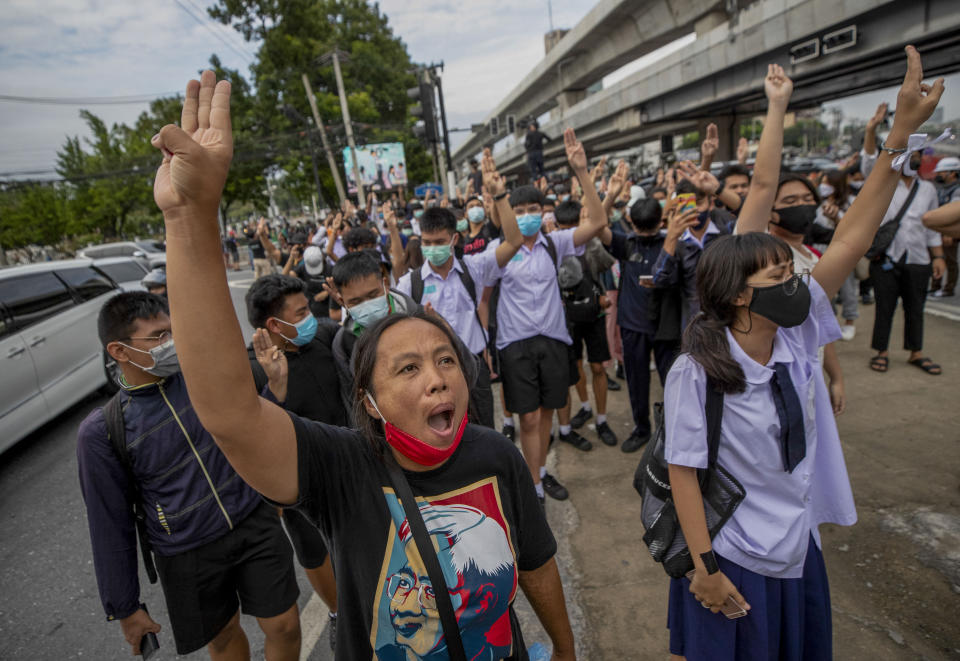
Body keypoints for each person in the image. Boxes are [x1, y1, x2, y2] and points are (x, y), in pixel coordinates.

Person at [148, 69, 578, 660]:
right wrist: (190, 218)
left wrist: (565, 648)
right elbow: (229, 412)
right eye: (407, 369)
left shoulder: (496, 456)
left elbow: (536, 563)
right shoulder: (342, 468)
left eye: (446, 359)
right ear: (368, 403)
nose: (436, 378)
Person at [666, 47, 944, 660]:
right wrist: (705, 568)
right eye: (777, 278)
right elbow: (682, 470)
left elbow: (853, 234)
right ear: (738, 295)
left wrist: (897, 135)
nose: (798, 283)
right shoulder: (698, 368)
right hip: (735, 553)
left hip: (797, 544)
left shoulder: (794, 333)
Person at [77, 292, 301, 660]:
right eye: (157, 337)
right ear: (118, 351)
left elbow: (250, 426)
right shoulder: (101, 432)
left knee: (285, 625)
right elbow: (108, 524)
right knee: (224, 637)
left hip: (252, 522)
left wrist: (274, 391)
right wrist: (126, 606)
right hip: (186, 552)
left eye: (171, 332)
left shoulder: (202, 377)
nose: (171, 344)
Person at [493, 128, 608, 504]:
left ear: (543, 212)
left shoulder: (554, 243)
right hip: (515, 345)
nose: (526, 217)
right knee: (526, 417)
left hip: (554, 341)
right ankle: (532, 482)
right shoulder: (500, 253)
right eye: (518, 210)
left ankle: (538, 480)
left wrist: (582, 172)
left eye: (532, 210)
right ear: (508, 213)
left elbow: (597, 223)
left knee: (545, 413)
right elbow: (482, 298)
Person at [245, 274, 345, 650]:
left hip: (350, 461)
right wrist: (276, 389)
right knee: (314, 549)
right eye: (301, 311)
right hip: (302, 484)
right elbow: (254, 437)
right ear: (274, 324)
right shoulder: (252, 369)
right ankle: (338, 612)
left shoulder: (323, 336)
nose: (311, 317)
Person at [396, 152, 524, 430]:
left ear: (454, 239)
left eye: (440, 241)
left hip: (473, 367)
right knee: (445, 435)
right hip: (432, 374)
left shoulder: (474, 269)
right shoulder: (410, 284)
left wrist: (500, 197)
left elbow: (514, 241)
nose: (433, 248)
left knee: (483, 433)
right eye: (427, 242)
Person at [861, 102, 945, 375]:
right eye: (911, 153)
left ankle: (915, 352)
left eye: (919, 153)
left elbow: (932, 226)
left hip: (918, 257)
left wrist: (939, 257)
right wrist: (871, 130)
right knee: (884, 306)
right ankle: (881, 352)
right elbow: (868, 164)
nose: (915, 157)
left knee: (915, 307)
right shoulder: (883, 182)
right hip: (886, 256)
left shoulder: (928, 189)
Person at [552, 199, 618, 448]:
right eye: (564, 227)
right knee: (576, 366)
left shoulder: (591, 244)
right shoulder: (553, 248)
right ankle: (585, 407)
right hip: (567, 318)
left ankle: (602, 420)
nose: (570, 233)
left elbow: (607, 265)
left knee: (598, 368)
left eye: (574, 226)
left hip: (595, 316)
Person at [328, 251, 422, 417]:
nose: (368, 306)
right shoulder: (343, 344)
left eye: (373, 295)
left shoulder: (420, 318)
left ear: (385, 284)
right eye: (356, 301)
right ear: (342, 302)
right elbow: (354, 403)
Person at [929, 156, 960, 297]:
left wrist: (948, 233)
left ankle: (948, 288)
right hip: (938, 230)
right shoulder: (941, 188)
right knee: (937, 257)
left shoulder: (957, 190)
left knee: (950, 259)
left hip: (949, 232)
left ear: (952, 173)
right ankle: (935, 286)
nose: (938, 175)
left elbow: (954, 213)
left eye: (942, 172)